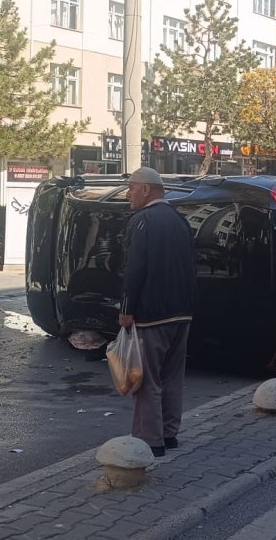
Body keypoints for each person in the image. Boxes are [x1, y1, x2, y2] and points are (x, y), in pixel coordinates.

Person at [118, 167, 198, 457]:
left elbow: (134, 269)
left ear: (145, 190)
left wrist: (127, 308)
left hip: (152, 315)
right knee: (172, 377)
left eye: (131, 188)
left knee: (147, 379)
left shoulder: (142, 221)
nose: (128, 194)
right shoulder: (180, 221)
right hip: (182, 313)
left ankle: (150, 441)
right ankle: (169, 434)